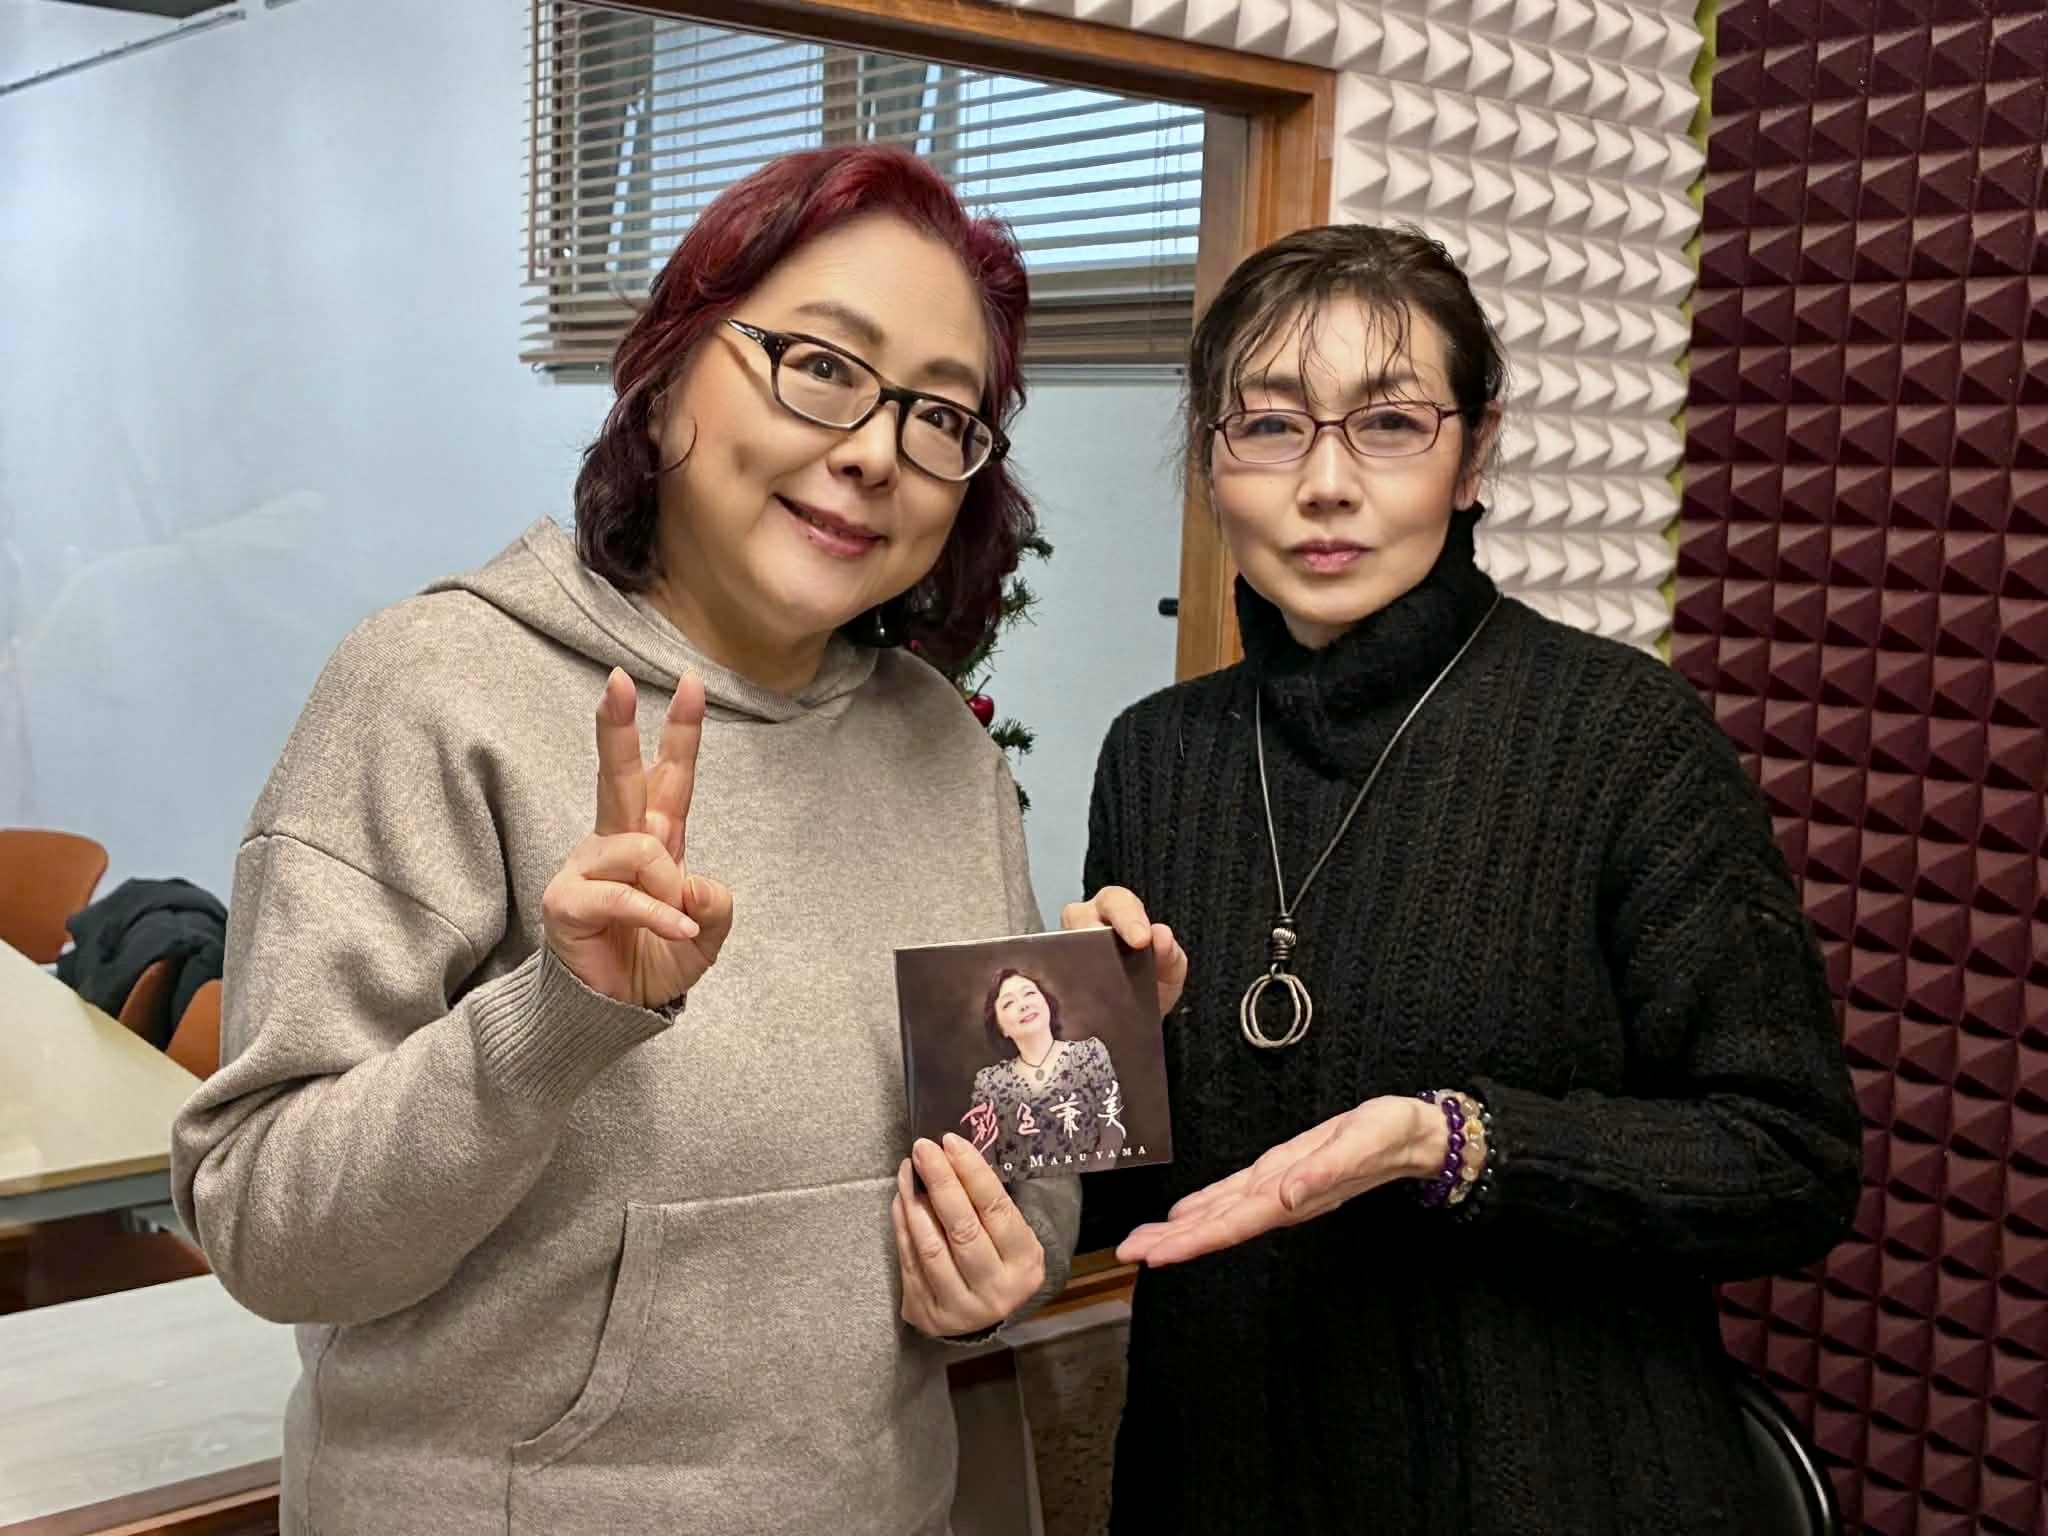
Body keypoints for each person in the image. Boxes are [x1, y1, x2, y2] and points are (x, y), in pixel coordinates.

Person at [170, 146, 1081, 1536]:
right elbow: (263, 1227)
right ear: (662, 385)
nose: (873, 451)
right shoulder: (436, 690)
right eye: (820, 366)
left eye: (940, 416)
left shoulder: (942, 753)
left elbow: (1020, 1188)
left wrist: (1001, 1263)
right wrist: (557, 1019)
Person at [1065, 224, 1863, 1535]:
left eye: (1388, 423)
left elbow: (1790, 1162)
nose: (1326, 483)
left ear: (1473, 454)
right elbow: (1140, 1200)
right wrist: (1095, 1069)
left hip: (1559, 1489)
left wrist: (1455, 1143)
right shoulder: (1155, 756)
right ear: (1211, 464)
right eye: (1269, 426)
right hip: (1218, 1481)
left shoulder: (1622, 735)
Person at [965, 966, 1124, 1172]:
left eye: (1029, 993)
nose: (1023, 1005)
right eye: (1008, 1003)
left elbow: (1112, 1131)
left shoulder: (1090, 1053)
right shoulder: (989, 1083)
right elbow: (984, 1160)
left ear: (1047, 1003)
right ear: (1000, 1027)